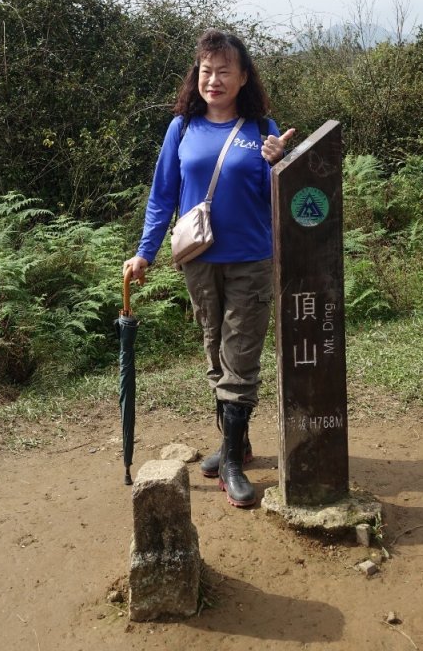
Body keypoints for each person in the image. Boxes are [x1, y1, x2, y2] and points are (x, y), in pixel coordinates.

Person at [124, 28, 295, 508]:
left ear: (243, 77)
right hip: (198, 263)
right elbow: (162, 197)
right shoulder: (181, 128)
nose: (214, 80)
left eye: (224, 71)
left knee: (240, 355)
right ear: (196, 76)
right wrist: (145, 252)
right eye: (206, 70)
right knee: (215, 353)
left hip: (251, 262)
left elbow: (277, 201)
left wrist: (280, 165)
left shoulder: (264, 131)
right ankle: (234, 442)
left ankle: (235, 464)